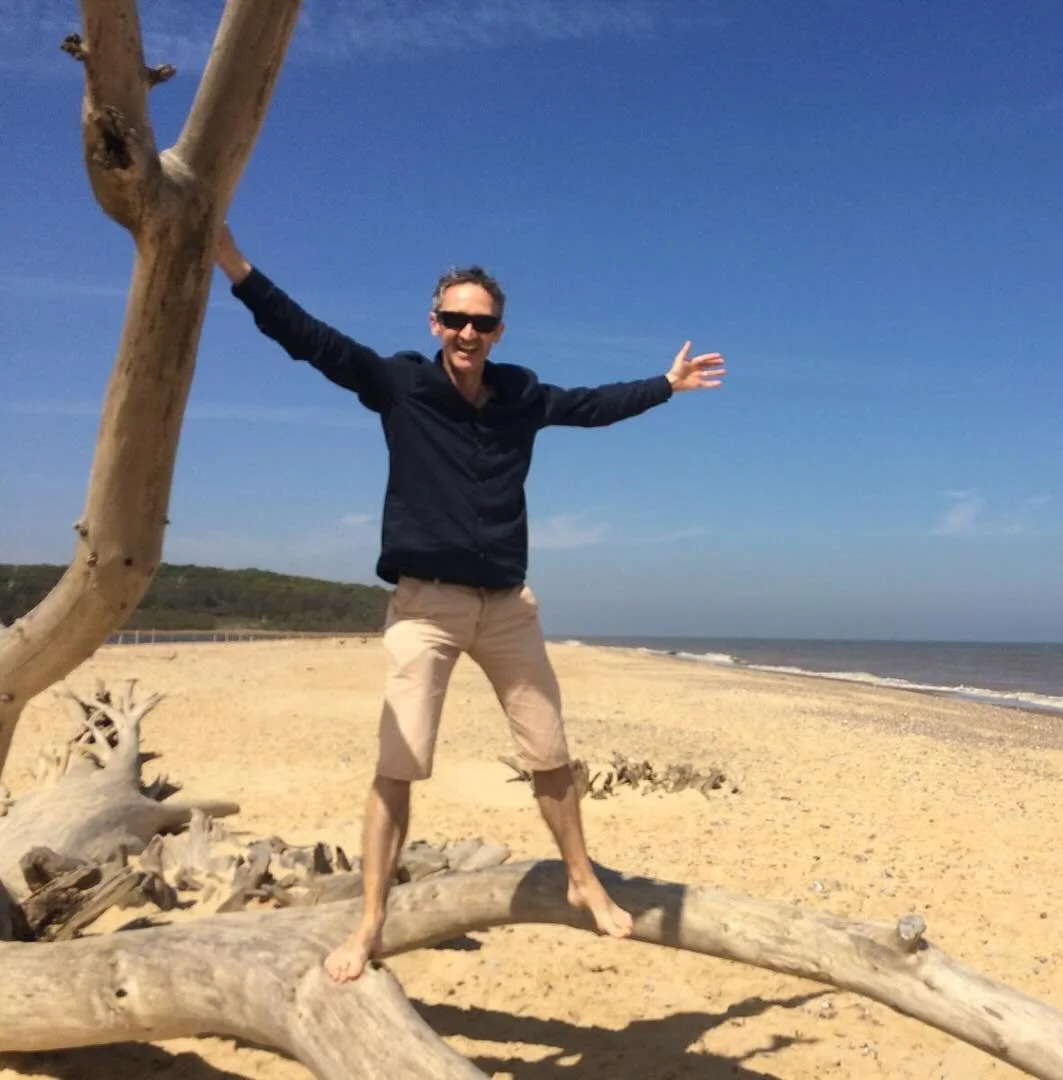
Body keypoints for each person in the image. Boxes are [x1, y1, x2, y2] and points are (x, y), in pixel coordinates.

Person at [213, 225, 724, 981]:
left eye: (481, 323)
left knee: (551, 755)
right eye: (455, 320)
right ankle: (370, 921)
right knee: (398, 766)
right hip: (425, 609)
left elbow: (590, 405)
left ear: (498, 331)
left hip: (508, 608)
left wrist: (665, 385)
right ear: (434, 324)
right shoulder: (400, 384)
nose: (467, 333)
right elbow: (311, 340)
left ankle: (582, 880)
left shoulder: (520, 394)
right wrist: (234, 265)